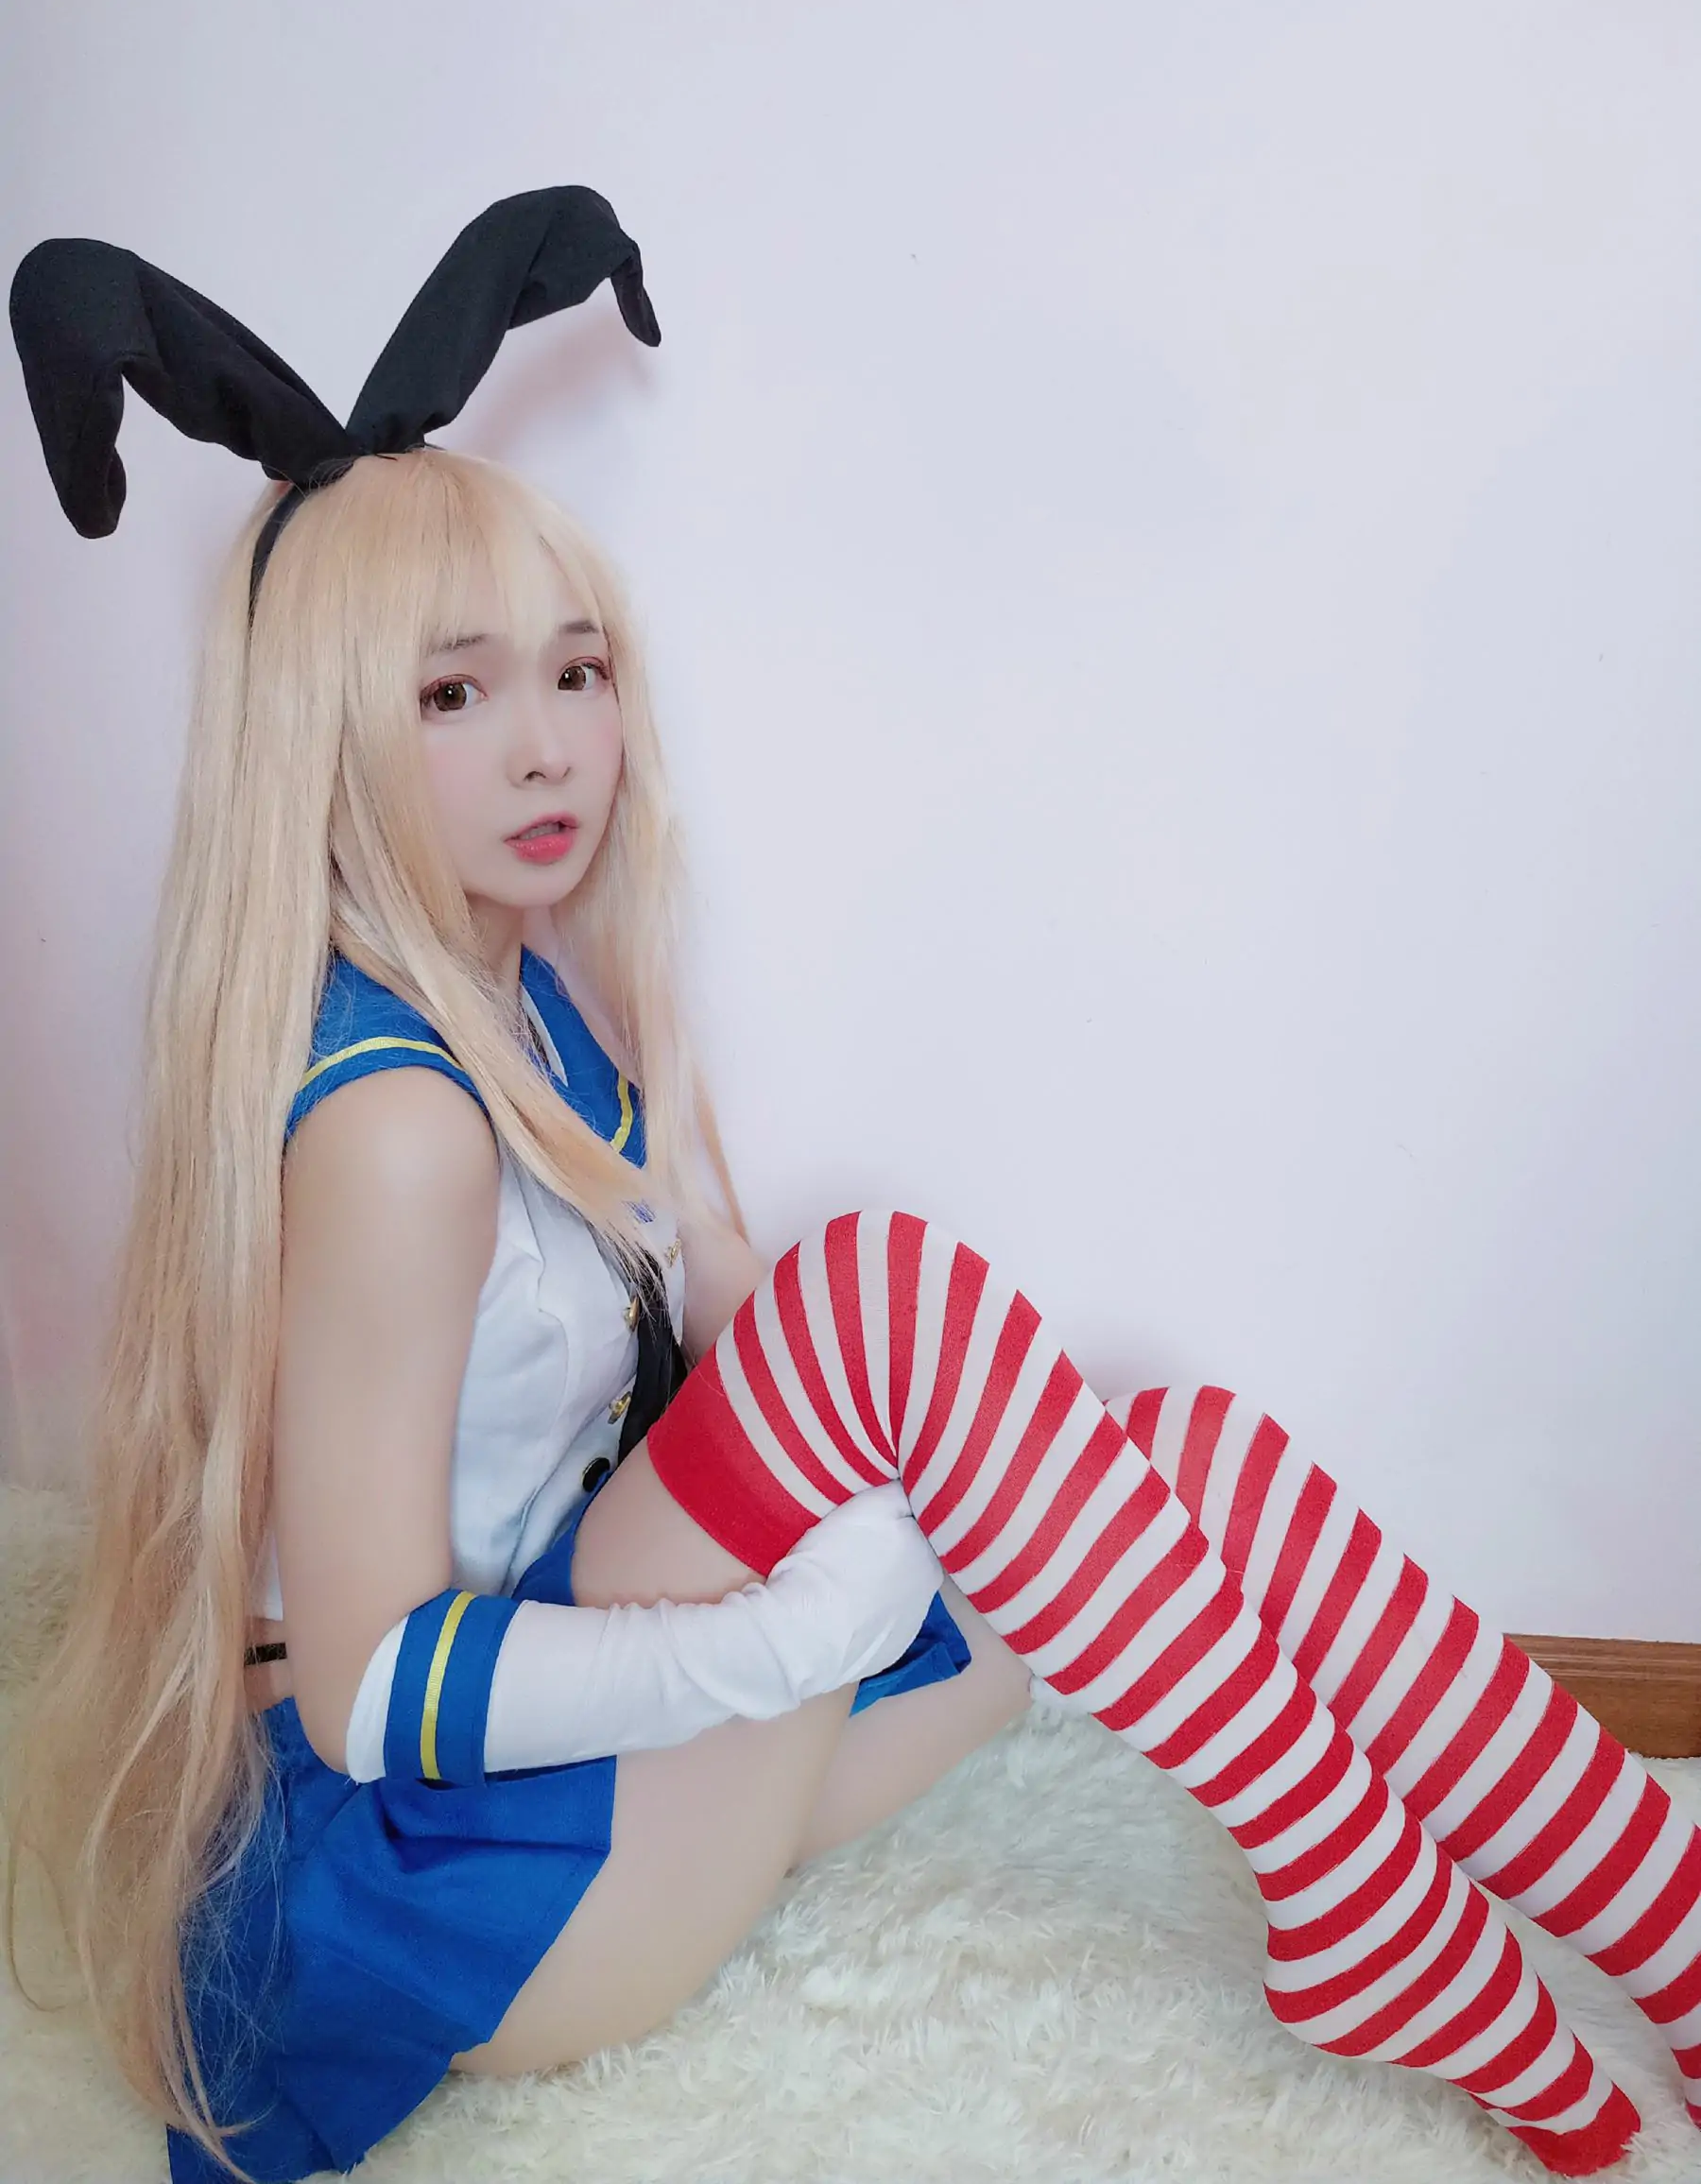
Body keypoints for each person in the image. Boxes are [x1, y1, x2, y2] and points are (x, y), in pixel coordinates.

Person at [6, 193, 1700, 2184]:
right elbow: (374, 1687)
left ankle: (1657, 1908)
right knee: (887, 1300)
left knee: (1171, 1458)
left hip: (593, 1728)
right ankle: (1376, 1906)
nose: (551, 748)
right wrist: (777, 1632)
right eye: (454, 694)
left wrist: (936, 1457)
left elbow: (728, 1294)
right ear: (327, 728)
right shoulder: (396, 1123)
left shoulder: (517, 993)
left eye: (576, 672)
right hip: (458, 1864)